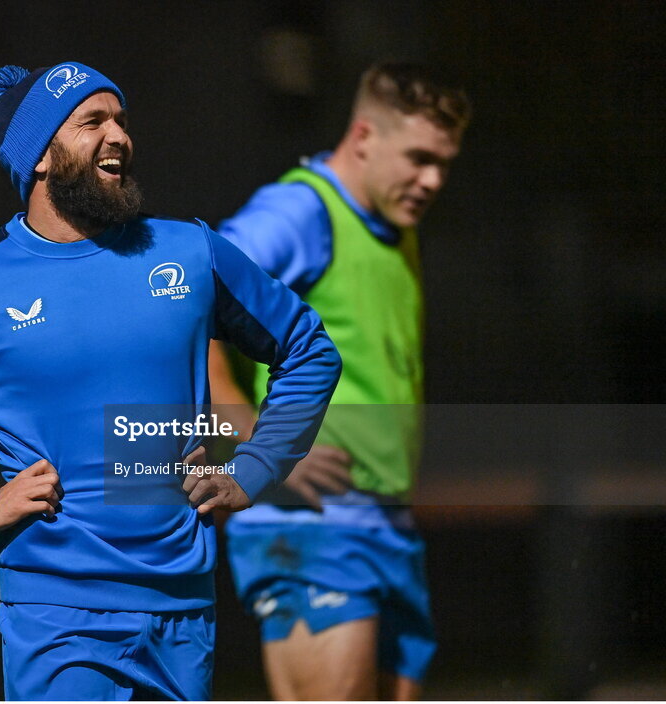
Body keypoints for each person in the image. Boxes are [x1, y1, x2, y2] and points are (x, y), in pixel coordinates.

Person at [0, 61, 340, 701]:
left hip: (184, 613)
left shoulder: (191, 252)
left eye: (121, 120)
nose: (119, 135)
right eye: (92, 121)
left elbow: (309, 349)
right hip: (56, 618)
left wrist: (256, 468)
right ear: (39, 158)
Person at [209, 62, 470, 700]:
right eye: (417, 158)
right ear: (362, 137)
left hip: (383, 522)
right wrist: (259, 451)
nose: (432, 180)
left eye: (444, 162)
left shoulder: (393, 226)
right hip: (309, 523)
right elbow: (185, 309)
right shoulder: (300, 211)